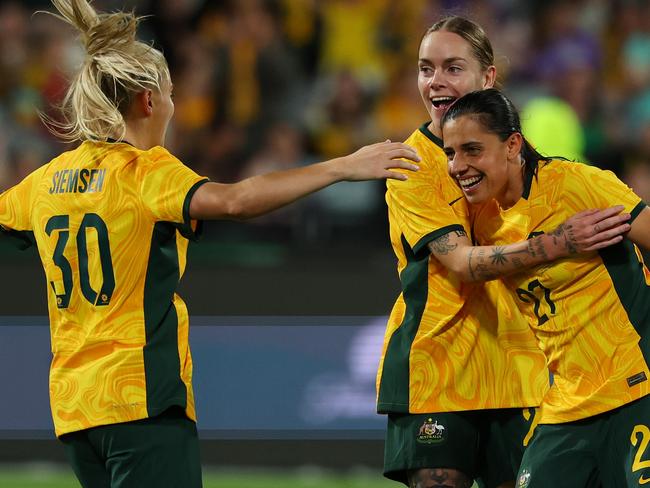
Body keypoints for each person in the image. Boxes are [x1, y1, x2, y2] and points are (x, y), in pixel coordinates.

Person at [0, 1, 422, 487]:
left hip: (74, 408)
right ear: (149, 102)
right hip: (140, 396)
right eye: (171, 95)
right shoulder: (144, 172)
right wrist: (340, 167)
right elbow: (237, 201)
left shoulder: (45, 181)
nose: (175, 106)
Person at [376, 16, 631, 488]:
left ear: (488, 77)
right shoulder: (410, 166)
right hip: (442, 365)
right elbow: (460, 263)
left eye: (453, 67)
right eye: (425, 68)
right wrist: (558, 242)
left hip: (520, 366)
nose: (436, 80)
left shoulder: (519, 158)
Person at [442, 87, 650, 487]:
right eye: (451, 153)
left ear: (512, 145)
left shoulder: (577, 185)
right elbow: (463, 265)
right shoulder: (481, 221)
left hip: (636, 384)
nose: (458, 166)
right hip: (567, 403)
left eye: (471, 149)